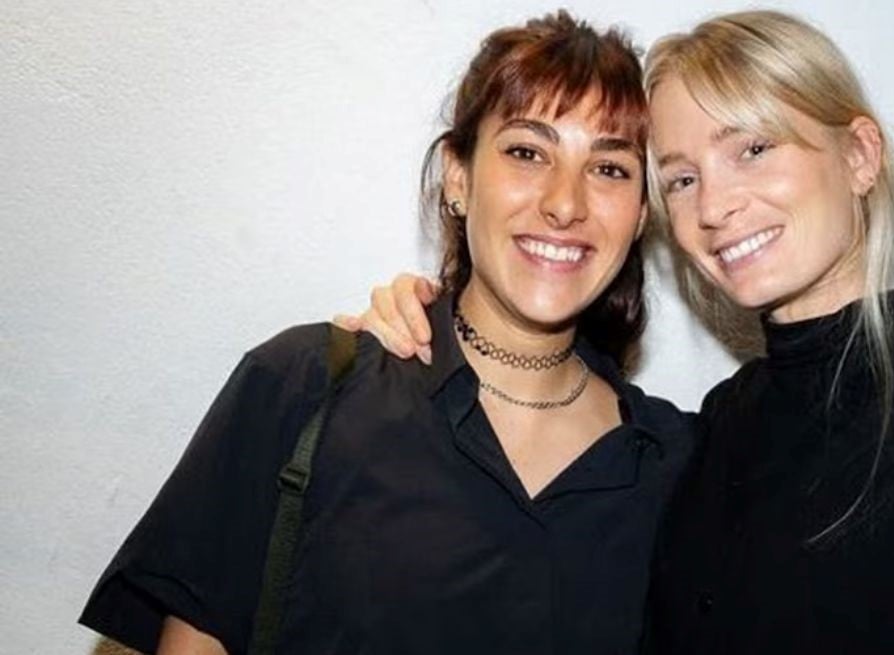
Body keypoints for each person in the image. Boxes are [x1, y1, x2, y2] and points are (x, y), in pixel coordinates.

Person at [343, 10, 894, 654]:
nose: (716, 204)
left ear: (858, 156)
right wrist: (419, 328)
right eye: (682, 177)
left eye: (753, 147)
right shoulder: (700, 435)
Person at [79, 12, 696, 654]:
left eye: (609, 168)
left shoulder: (678, 468)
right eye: (526, 152)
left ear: (640, 215)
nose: (565, 203)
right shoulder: (306, 387)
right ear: (458, 176)